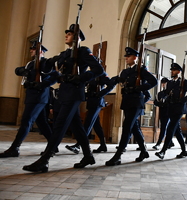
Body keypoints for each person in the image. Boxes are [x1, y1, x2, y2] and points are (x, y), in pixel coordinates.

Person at [22, 24, 104, 173]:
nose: (66, 35)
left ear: (77, 37)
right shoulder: (64, 54)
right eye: (66, 33)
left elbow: (99, 70)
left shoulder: (84, 52)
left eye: (70, 34)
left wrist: (80, 77)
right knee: (77, 127)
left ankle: (44, 160)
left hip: (74, 93)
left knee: (59, 125)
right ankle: (88, 156)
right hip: (65, 93)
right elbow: (47, 66)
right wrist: (38, 59)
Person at [0, 42, 57, 158]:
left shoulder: (45, 63)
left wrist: (43, 84)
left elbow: (55, 76)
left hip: (38, 97)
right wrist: (23, 71)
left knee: (26, 121)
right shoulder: (30, 64)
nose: (31, 50)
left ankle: (14, 148)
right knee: (42, 123)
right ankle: (53, 146)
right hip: (32, 96)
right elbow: (18, 70)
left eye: (34, 49)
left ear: (41, 51)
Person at [105, 47, 157, 166]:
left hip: (136, 102)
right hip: (127, 101)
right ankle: (143, 151)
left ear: (135, 58)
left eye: (128, 56)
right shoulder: (125, 72)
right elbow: (120, 81)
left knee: (127, 126)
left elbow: (154, 82)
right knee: (134, 127)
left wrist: (139, 88)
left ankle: (118, 155)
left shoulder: (141, 70)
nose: (126, 58)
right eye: (126, 56)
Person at [65, 72, 114, 154]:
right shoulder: (90, 74)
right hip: (91, 102)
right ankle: (103, 145)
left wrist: (101, 93)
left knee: (88, 123)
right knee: (96, 124)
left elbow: (111, 85)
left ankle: (78, 145)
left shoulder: (101, 74)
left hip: (97, 102)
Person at [155, 63, 187, 159]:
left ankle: (163, 151)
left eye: (173, 70)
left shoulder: (183, 82)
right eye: (171, 70)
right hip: (171, 108)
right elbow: (167, 93)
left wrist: (182, 100)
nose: (172, 72)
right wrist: (159, 96)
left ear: (178, 72)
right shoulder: (170, 83)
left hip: (179, 109)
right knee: (177, 131)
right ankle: (184, 151)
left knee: (170, 128)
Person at [152, 77, 175, 150]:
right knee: (165, 127)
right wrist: (160, 104)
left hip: (169, 112)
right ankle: (170, 142)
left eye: (165, 83)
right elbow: (155, 102)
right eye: (162, 83)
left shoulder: (171, 93)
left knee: (164, 128)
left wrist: (164, 103)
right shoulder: (160, 93)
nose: (163, 84)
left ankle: (158, 143)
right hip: (162, 112)